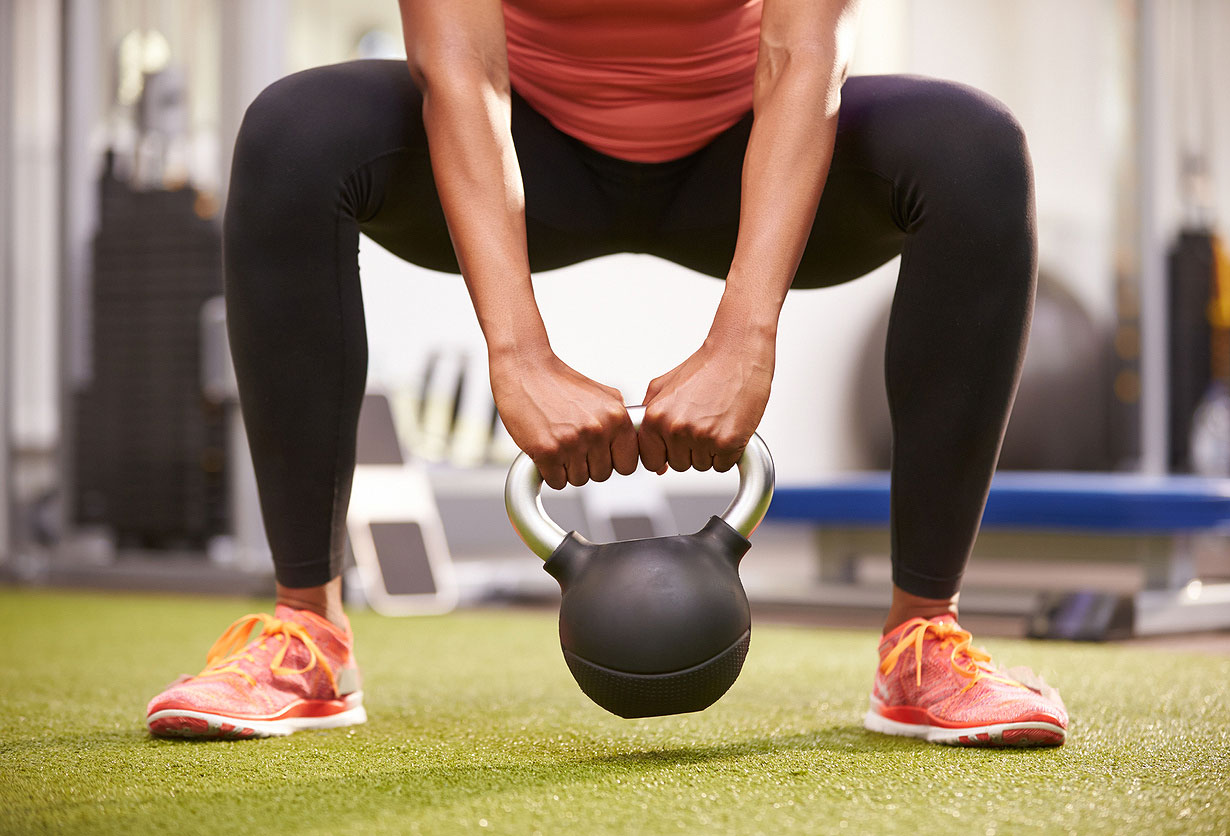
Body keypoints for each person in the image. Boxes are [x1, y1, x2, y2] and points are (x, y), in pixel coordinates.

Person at [145, 0, 1067, 746]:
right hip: (530, 144)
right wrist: (519, 354)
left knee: (976, 152)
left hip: (740, 143)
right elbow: (461, 71)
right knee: (290, 134)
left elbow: (801, 62)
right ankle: (308, 629)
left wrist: (745, 336)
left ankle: (922, 639)